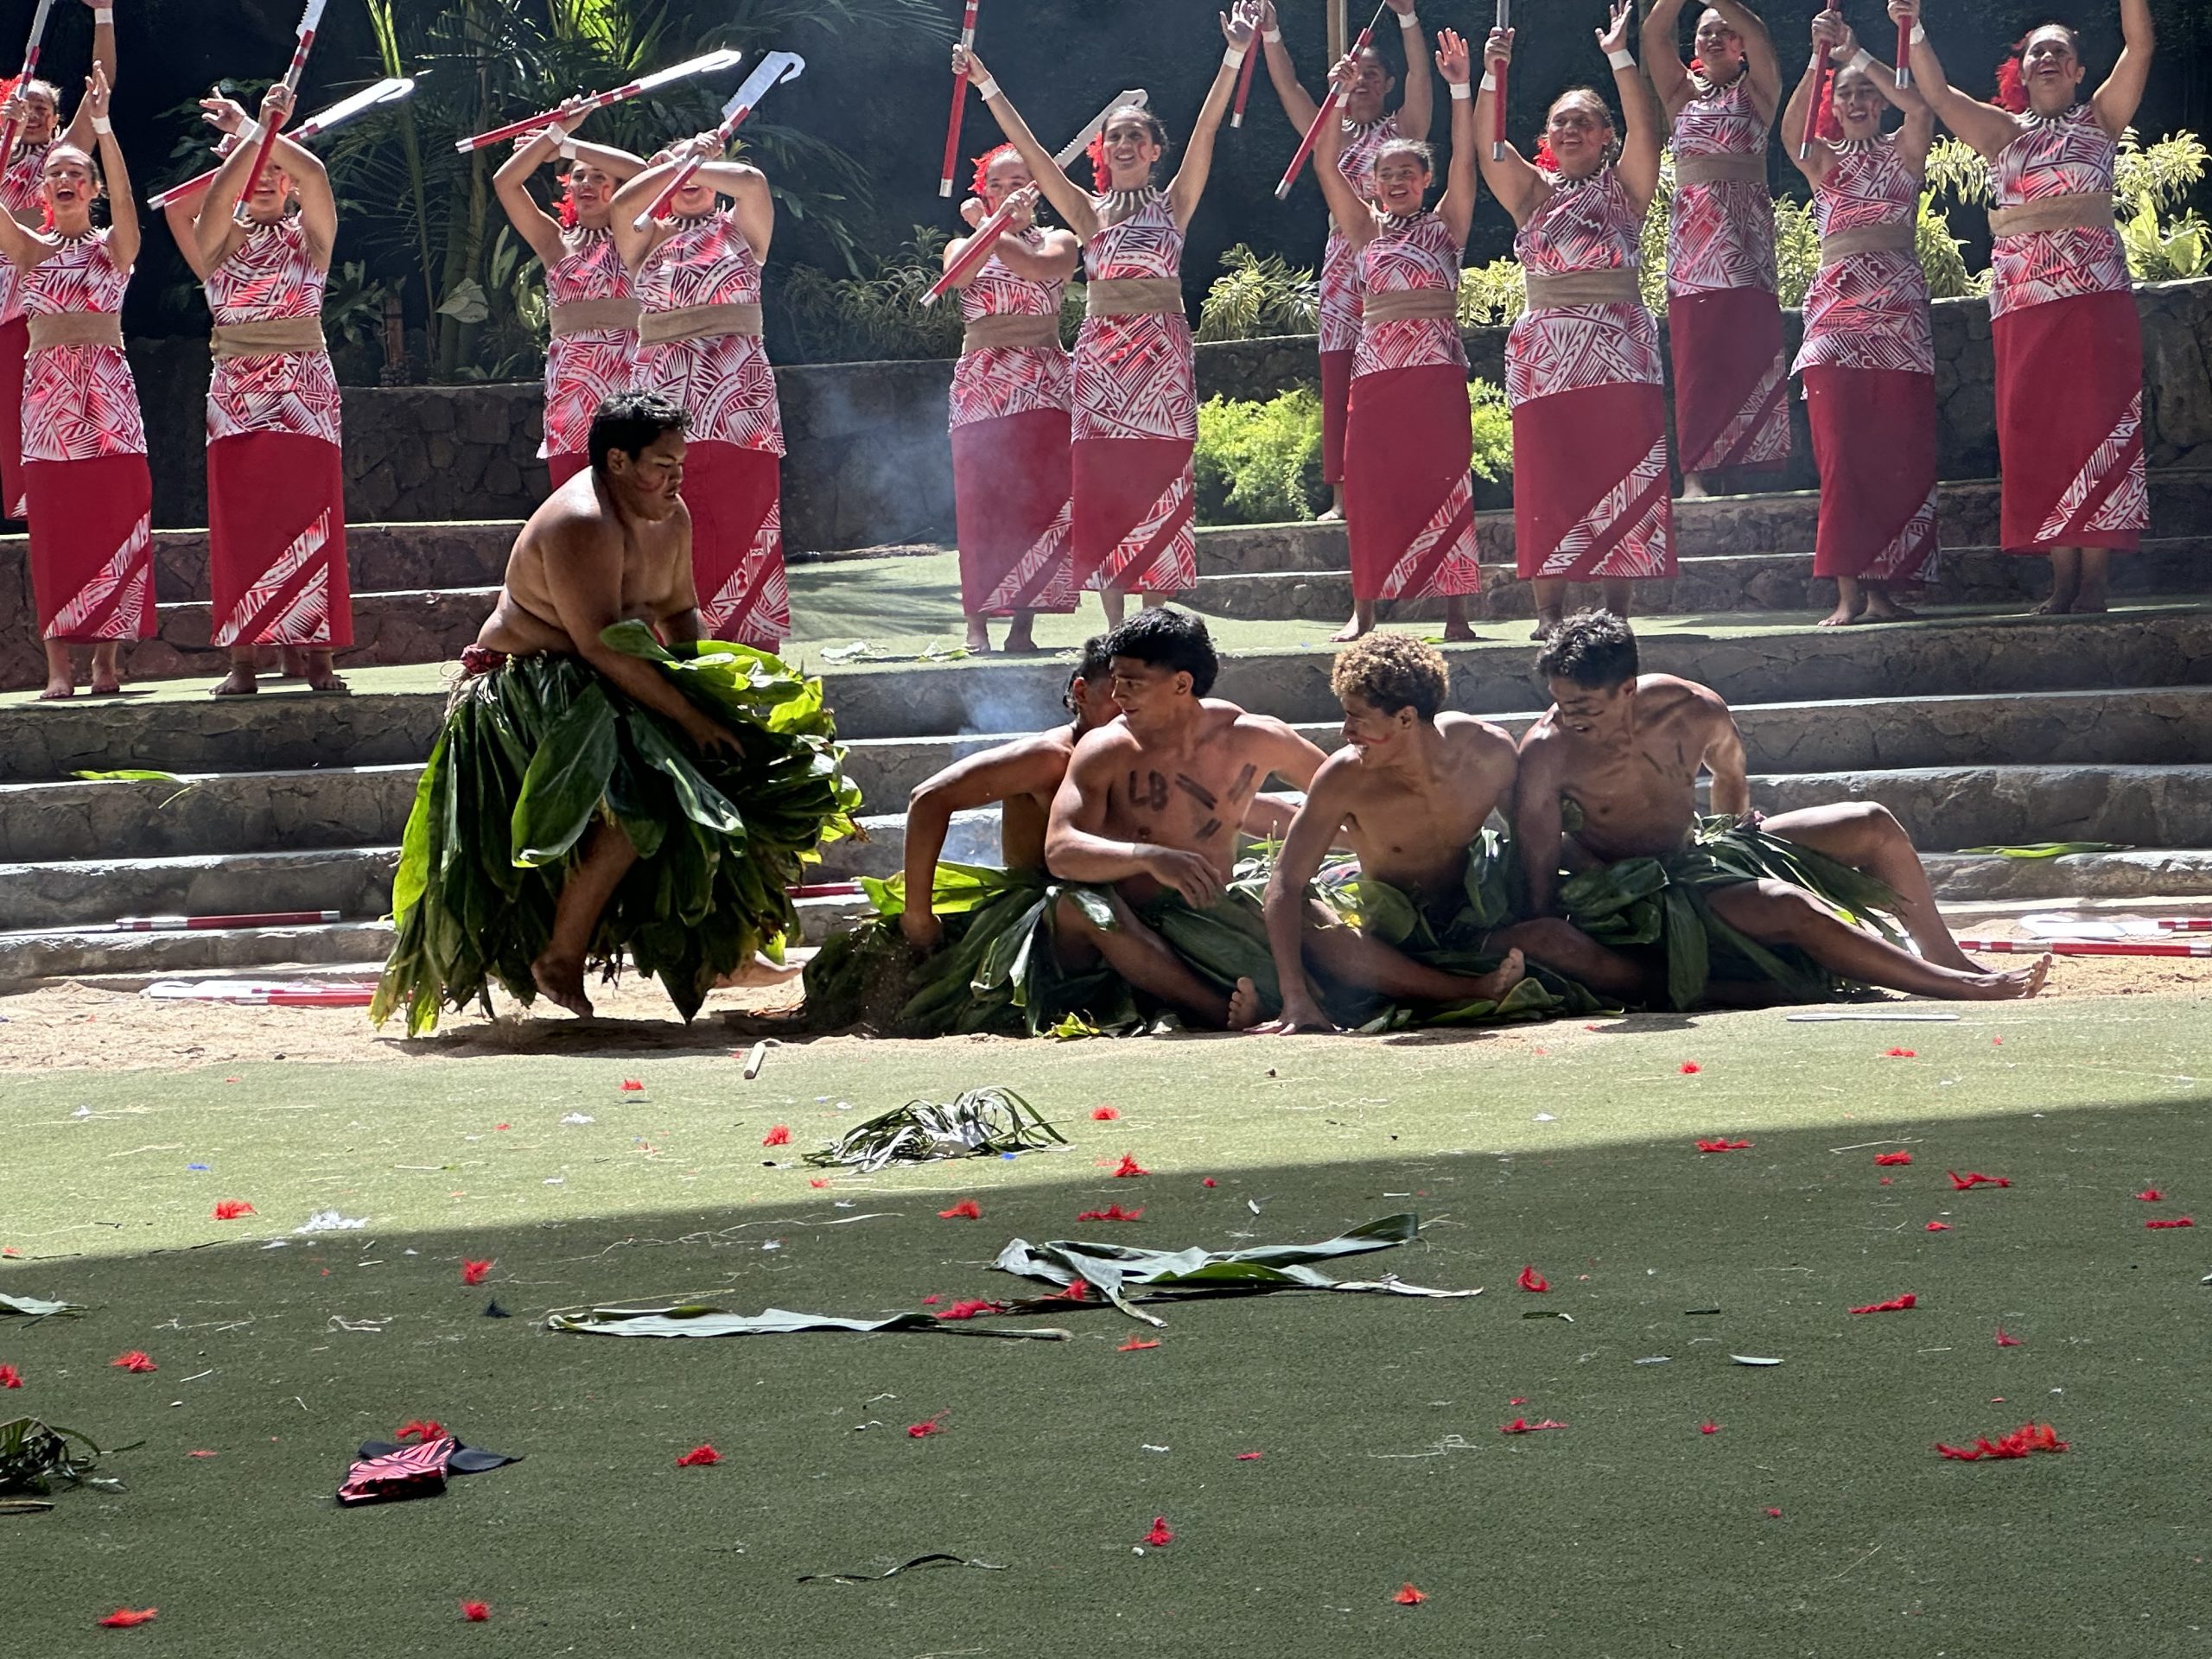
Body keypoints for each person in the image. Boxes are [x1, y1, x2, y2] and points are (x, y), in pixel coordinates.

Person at [372, 391, 861, 1033]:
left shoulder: (671, 515)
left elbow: (679, 614)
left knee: (727, 776)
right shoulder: (582, 522)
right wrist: (687, 719)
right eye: (663, 465)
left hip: (612, 682)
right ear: (618, 462)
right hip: (529, 689)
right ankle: (560, 955)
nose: (676, 479)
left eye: (681, 465)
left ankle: (720, 952)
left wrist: (717, 697)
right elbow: (598, 642)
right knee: (649, 799)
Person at [1511, 611, 2050, 1006]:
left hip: (1701, 852)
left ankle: (1943, 955)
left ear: (1627, 688)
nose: (1570, 717)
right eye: (1561, 702)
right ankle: (1959, 987)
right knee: (1788, 904)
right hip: (1640, 893)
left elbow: (1729, 774)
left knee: (1872, 824)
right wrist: (1550, 928)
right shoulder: (1546, 751)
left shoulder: (1693, 707)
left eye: (1585, 706)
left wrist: (1731, 832)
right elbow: (1538, 854)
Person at [960, 3, 1263, 629]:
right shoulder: (1086, 213)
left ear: (1154, 150)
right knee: (1102, 479)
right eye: (1116, 136)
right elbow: (1035, 152)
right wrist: (986, 83)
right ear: (1106, 150)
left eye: (1136, 136)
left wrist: (1233, 54)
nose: (1124, 143)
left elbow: (1206, 131)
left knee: (1159, 472)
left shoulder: (1173, 205)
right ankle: (1114, 623)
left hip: (1161, 353)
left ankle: (1155, 617)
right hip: (1101, 360)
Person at [1256, 634, 1655, 1035]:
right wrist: (1295, 999)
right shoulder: (1343, 779)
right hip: (1393, 942)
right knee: (1317, 927)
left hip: (1478, 925)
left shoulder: (1488, 752)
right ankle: (1470, 990)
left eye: (1357, 718)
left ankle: (1691, 988)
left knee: (1556, 939)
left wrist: (1559, 898)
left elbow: (1532, 838)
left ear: (1406, 718)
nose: (1346, 732)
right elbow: (1285, 882)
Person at [1904, 0, 2152, 614]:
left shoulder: (2100, 121)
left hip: (2093, 302)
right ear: (2022, 68)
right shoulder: (2001, 134)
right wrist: (1911, 22)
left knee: (2095, 430)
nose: (2046, 58)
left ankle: (2093, 581)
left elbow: (2140, 45)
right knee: (2037, 437)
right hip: (2021, 306)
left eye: (2058, 52)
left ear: (2076, 70)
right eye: (2036, 51)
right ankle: (2061, 578)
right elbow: (1934, 91)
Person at [1478, 3, 1674, 638]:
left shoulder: (1627, 188)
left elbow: (1649, 130)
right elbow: (1486, 147)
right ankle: (1549, 612)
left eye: (1583, 125)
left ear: (1604, 137)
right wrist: (1488, 75)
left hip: (1620, 353)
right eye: (1560, 124)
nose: (1569, 133)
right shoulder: (1532, 194)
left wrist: (1620, 55)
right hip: (1547, 358)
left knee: (1621, 475)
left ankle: (1616, 610)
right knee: (1549, 480)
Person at [1045, 607, 1327, 1029]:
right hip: (1131, 929)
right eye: (1116, 679)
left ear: (1182, 683)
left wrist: (1358, 840)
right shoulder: (1106, 749)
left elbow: (1339, 789)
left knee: (1313, 913)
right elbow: (1060, 850)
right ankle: (1217, 1011)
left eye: (1133, 683)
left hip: (1214, 917)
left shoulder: (1251, 736)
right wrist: (1148, 857)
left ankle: (1434, 987)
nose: (1118, 695)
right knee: (1075, 907)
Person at [162, 83, 350, 696]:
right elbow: (203, 204)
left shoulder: (311, 239)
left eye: (277, 171)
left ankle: (317, 655)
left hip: (307, 396)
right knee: (241, 526)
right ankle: (243, 663)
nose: (267, 179)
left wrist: (257, 129)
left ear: (288, 184)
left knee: (310, 519)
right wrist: (254, 141)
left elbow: (315, 172)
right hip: (237, 398)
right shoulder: (218, 245)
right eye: (256, 173)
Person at [1312, 30, 1481, 644]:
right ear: (1375, 184)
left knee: (1446, 481)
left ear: (1424, 179)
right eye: (1387, 174)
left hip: (1436, 374)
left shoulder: (1446, 226)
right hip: (1377, 377)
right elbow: (1326, 164)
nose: (1397, 182)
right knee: (1370, 487)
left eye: (1408, 173)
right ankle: (1365, 611)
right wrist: (1334, 97)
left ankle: (1456, 612)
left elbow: (1466, 159)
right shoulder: (1363, 230)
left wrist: (1461, 87)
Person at [1783, 5, 1939, 627]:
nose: (1856, 101)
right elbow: (1791, 132)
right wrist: (1820, 57)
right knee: (1843, 457)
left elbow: (1923, 106)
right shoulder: (1823, 162)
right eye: (1845, 95)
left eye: (1866, 94)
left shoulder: (1903, 151)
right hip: (1836, 326)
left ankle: (1885, 592)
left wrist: (1859, 54)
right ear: (1834, 105)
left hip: (1900, 320)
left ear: (1879, 102)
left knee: (1895, 455)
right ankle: (1849, 593)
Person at [0, 64, 149, 701]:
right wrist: (6, 139)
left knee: (117, 519)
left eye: (74, 173)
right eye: (54, 174)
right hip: (49, 402)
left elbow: (124, 196)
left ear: (88, 189)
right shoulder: (29, 251)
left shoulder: (115, 248)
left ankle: (106, 664)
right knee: (55, 528)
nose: (64, 179)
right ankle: (59, 667)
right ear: (43, 191)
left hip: (111, 397)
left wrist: (106, 130)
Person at [1254, 0, 1431, 522]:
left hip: (1400, 255)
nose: (1364, 84)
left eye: (1375, 76)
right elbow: (1290, 89)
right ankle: (1342, 493)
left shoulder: (1404, 132)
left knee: (1404, 362)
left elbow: (1424, 75)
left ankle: (1409, 480)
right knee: (1340, 365)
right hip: (1343, 258)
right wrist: (1271, 34)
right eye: (1358, 76)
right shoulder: (1328, 128)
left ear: (1388, 83)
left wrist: (1407, 17)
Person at [608, 129, 787, 646]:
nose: (690, 180)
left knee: (741, 511)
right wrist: (674, 167)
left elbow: (752, 182)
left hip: (740, 398)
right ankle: (670, 643)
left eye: (701, 170)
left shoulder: (741, 229)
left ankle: (751, 644)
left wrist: (693, 161)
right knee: (662, 515)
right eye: (678, 170)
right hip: (662, 398)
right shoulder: (645, 235)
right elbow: (623, 202)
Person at [1643, 0, 1789, 498]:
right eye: (1704, 33)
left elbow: (1762, 31)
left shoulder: (1760, 91)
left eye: (1724, 32)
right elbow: (1655, 33)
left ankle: (1753, 469)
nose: (1711, 40)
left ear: (1741, 45)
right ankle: (1696, 475)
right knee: (1696, 361)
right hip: (1692, 245)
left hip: (1746, 241)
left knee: (1750, 351)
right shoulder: (1681, 95)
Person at [943, 145, 1081, 654]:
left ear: (1036, 189)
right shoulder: (962, 246)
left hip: (1044, 381)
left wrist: (993, 226)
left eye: (1018, 182)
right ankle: (976, 622)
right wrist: (985, 228)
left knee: (1040, 504)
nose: (1007, 194)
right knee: (981, 503)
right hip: (982, 384)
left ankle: (1023, 626)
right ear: (982, 192)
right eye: (995, 185)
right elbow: (960, 276)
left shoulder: (1060, 240)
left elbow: (1037, 270)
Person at [0, 0, 117, 525]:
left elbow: (101, 89)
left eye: (44, 108)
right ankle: (28, 500)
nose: (35, 114)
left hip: (47, 291)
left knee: (56, 393)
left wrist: (104, 14)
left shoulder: (60, 162)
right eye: (25, 106)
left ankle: (63, 493)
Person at [493, 104, 646, 492]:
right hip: (571, 390)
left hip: (630, 376)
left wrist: (568, 144)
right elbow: (505, 183)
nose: (588, 184)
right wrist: (552, 133)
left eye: (599, 177)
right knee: (576, 501)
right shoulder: (553, 243)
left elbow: (643, 173)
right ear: (569, 189)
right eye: (579, 177)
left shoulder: (638, 236)